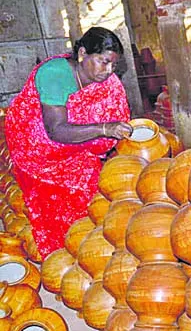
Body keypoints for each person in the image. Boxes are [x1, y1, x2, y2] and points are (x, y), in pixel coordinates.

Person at [5, 27, 133, 259]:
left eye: (114, 65)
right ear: (82, 53)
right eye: (104, 62)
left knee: (95, 198)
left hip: (76, 144)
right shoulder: (54, 74)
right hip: (38, 148)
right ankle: (67, 258)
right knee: (60, 213)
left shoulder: (104, 81)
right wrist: (104, 129)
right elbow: (55, 130)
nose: (109, 71)